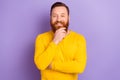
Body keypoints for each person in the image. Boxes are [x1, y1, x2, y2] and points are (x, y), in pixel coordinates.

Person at [34, 2, 87, 80]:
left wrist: (52, 65)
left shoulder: (79, 39)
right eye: (54, 16)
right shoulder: (41, 38)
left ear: (68, 17)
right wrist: (55, 41)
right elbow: (41, 64)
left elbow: (79, 67)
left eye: (62, 16)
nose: (58, 19)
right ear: (51, 18)